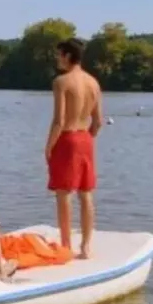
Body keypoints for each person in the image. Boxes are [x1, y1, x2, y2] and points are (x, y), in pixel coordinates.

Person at [46, 38, 102, 259]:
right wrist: (87, 138)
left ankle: (66, 245)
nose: (56, 59)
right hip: (85, 138)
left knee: (64, 193)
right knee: (85, 193)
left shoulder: (61, 82)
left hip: (67, 138)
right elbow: (98, 121)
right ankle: (86, 246)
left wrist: (49, 146)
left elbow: (59, 121)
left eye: (58, 54)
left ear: (67, 56)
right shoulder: (93, 83)